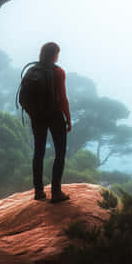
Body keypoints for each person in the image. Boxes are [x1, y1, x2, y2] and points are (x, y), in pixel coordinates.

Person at [29, 42, 73, 202]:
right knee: (60, 153)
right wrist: (68, 118)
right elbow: (62, 98)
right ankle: (56, 192)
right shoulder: (58, 72)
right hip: (54, 115)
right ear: (54, 55)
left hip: (37, 116)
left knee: (38, 152)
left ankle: (38, 191)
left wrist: (33, 114)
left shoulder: (33, 71)